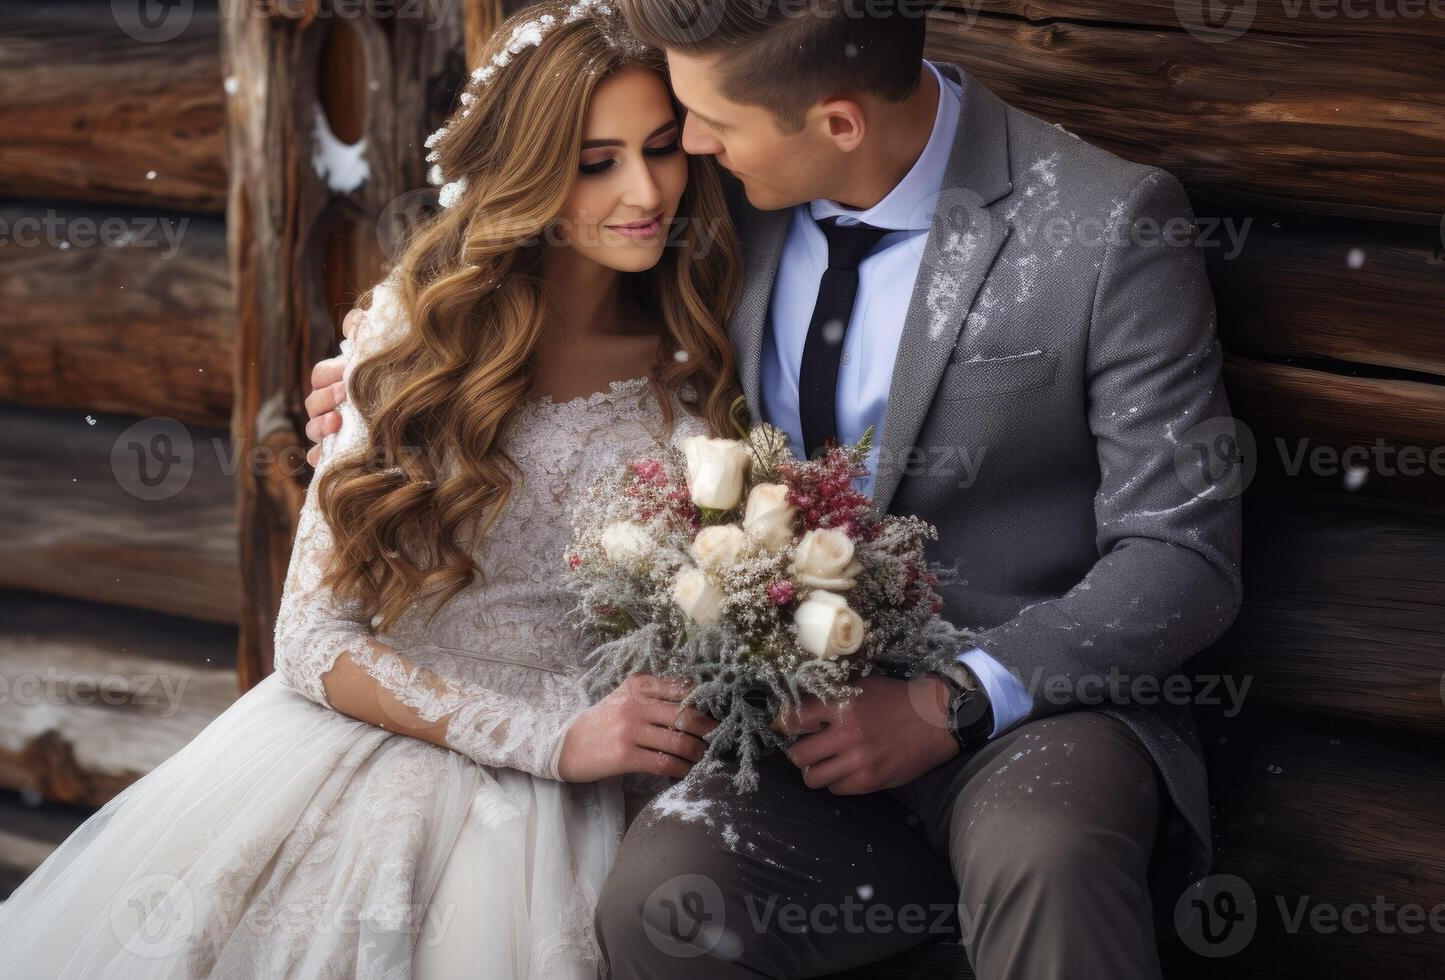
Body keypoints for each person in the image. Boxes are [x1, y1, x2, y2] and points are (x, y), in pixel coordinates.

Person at [306, 1, 1244, 976]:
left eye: (707, 125)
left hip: (1031, 706)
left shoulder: (1105, 226)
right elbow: (552, 276)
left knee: (1045, 854)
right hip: (783, 723)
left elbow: (1182, 553)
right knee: (665, 902)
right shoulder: (722, 201)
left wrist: (948, 701)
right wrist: (393, 372)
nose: (690, 148)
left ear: (838, 123)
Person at [0, 3, 746, 976]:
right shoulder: (416, 335)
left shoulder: (698, 357)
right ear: (528, 171)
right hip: (396, 755)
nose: (646, 188)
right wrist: (555, 740)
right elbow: (312, 640)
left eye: (662, 148)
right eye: (596, 160)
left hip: (610, 781)